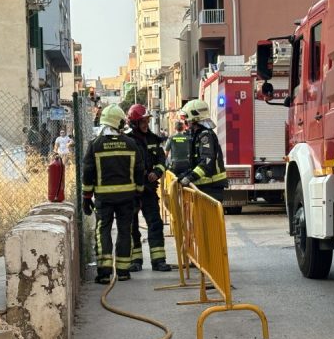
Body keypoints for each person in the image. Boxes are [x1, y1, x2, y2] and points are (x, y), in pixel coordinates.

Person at [81, 104, 144, 284]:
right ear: (119, 122)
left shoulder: (95, 145)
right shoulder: (131, 144)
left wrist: (86, 197)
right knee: (125, 231)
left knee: (103, 231)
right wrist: (138, 194)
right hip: (127, 198)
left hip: (103, 198)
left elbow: (88, 172)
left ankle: (104, 272)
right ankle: (123, 271)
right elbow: (139, 171)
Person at [125, 104, 171, 272]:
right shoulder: (127, 140)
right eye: (142, 121)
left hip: (149, 190)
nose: (146, 124)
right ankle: (135, 261)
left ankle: (158, 261)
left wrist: (157, 171)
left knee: (155, 223)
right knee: (131, 225)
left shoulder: (153, 139)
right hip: (132, 191)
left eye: (147, 120)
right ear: (134, 123)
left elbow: (161, 159)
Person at [179, 99, 228, 202]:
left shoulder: (205, 135)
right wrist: (184, 175)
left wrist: (190, 177)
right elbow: (196, 162)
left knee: (208, 218)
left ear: (195, 117)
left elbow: (207, 161)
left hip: (211, 186)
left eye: (187, 118)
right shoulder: (197, 134)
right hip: (205, 187)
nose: (186, 122)